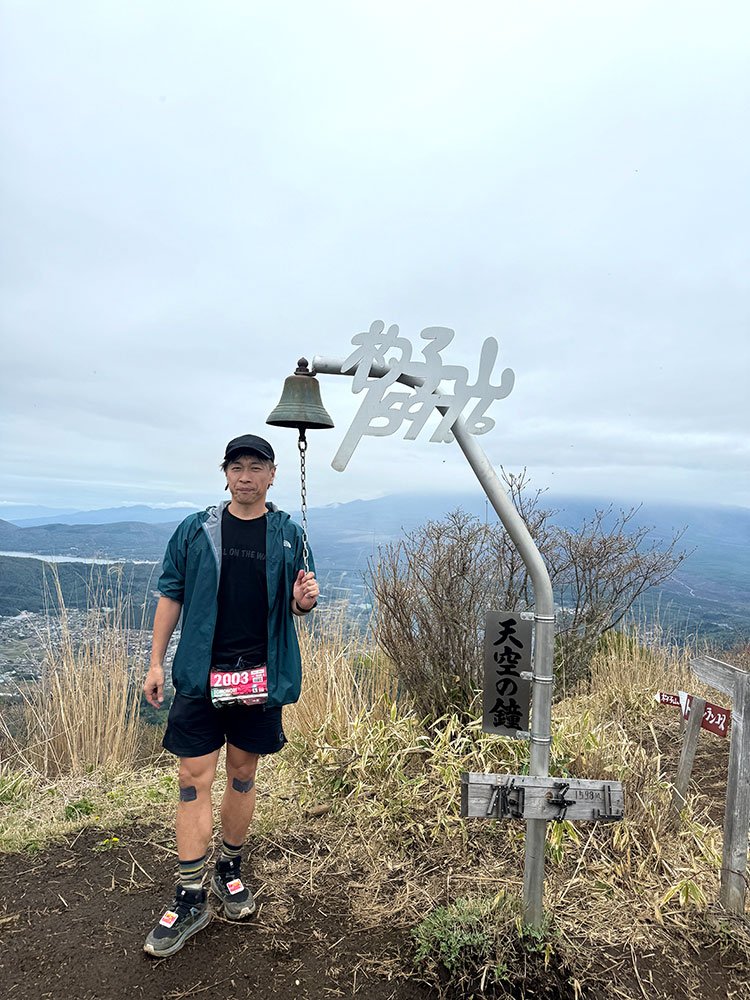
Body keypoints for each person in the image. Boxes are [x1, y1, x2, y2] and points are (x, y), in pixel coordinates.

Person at [142, 434, 319, 958]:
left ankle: (230, 869)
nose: (245, 476)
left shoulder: (288, 533)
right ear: (225, 474)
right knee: (193, 778)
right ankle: (190, 894)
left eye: (256, 467)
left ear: (272, 475)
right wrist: (155, 661)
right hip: (201, 676)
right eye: (236, 467)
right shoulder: (196, 530)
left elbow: (299, 601)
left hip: (260, 679)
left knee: (243, 774)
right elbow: (171, 593)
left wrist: (302, 603)